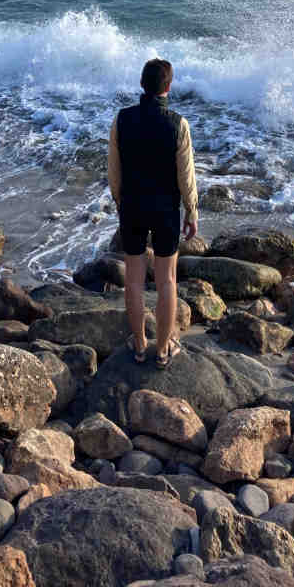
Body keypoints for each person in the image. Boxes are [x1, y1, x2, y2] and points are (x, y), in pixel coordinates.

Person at [108, 58, 198, 367]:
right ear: (168, 87)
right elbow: (186, 177)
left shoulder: (122, 119)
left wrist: (120, 201)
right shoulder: (178, 124)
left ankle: (138, 345)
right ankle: (162, 349)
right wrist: (192, 211)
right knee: (166, 280)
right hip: (165, 210)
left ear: (142, 85)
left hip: (132, 205)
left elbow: (114, 171)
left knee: (133, 279)